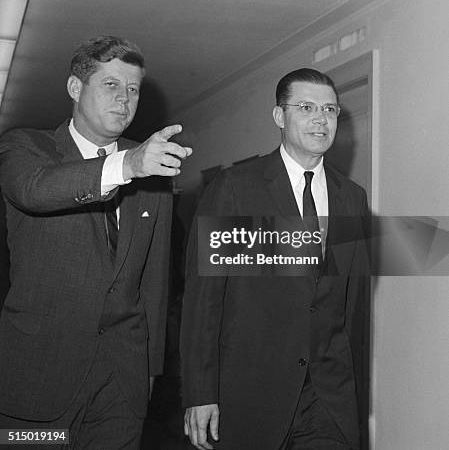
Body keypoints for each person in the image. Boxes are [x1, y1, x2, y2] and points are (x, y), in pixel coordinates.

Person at [0, 35, 192, 449]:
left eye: (133, 89)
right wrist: (126, 164)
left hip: (121, 386)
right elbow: (35, 190)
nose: (124, 99)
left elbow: (154, 280)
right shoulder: (26, 147)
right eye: (110, 85)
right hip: (39, 381)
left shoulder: (152, 168)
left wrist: (149, 371)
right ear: (75, 88)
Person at [181, 68, 369, 450]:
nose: (321, 118)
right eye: (306, 107)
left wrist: (356, 393)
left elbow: (353, 305)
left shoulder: (351, 197)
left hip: (328, 399)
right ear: (279, 117)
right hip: (252, 395)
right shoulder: (235, 189)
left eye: (330, 110)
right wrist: (200, 391)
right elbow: (204, 301)